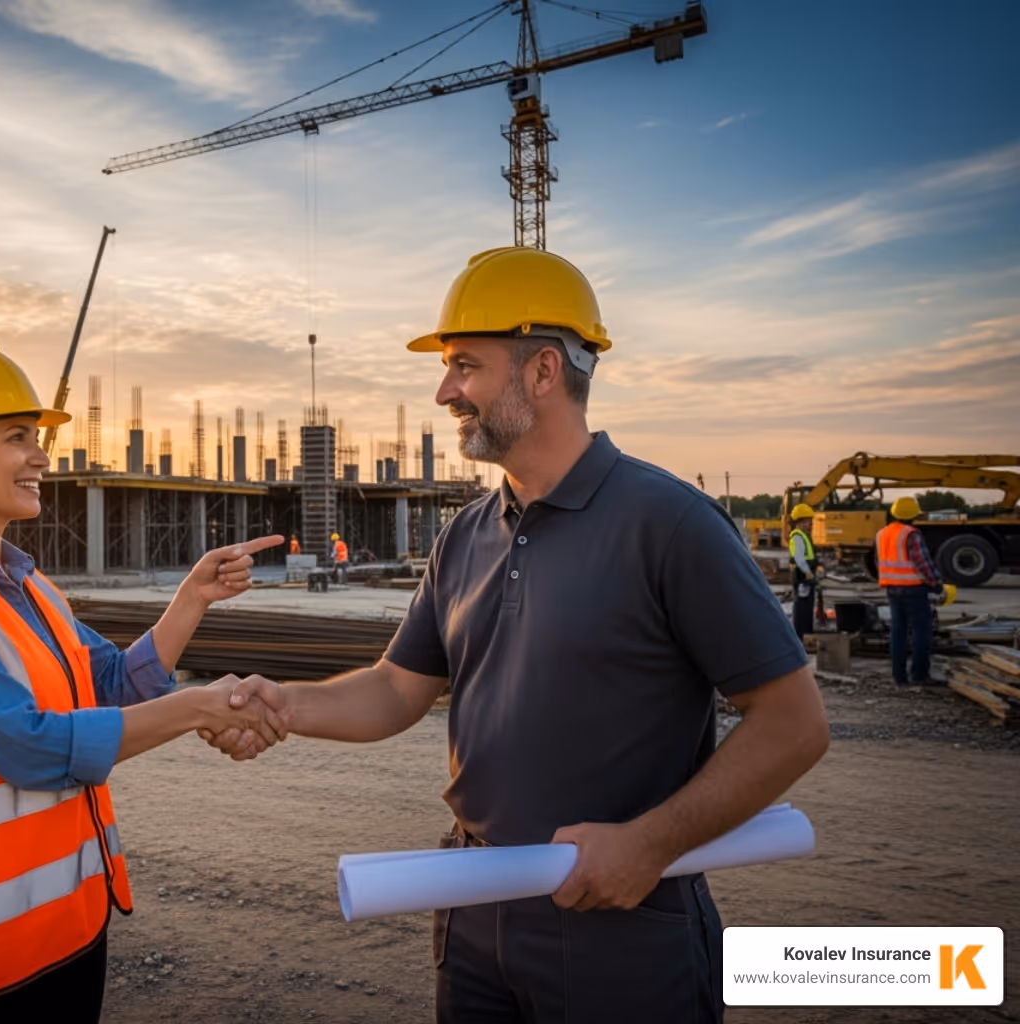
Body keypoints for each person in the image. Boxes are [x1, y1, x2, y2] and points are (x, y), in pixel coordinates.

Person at [204, 247, 829, 1023]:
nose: (444, 391)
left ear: (542, 370)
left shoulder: (669, 524)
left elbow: (795, 723)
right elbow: (399, 689)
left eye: (464, 365)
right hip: (474, 907)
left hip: (620, 922)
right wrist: (283, 705)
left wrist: (649, 844)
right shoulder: (465, 533)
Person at [0, 340, 287, 1023]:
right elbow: (30, 749)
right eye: (17, 437)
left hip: (70, 938)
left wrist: (190, 598)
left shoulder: (29, 589)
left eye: (38, 438)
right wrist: (197, 707)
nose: (40, 456)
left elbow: (110, 682)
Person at [876, 496, 942, 686]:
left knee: (898, 633)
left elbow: (878, 562)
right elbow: (923, 563)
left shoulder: (883, 533)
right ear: (913, 515)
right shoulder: (911, 534)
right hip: (913, 589)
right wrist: (935, 582)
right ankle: (919, 675)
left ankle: (899, 677)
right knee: (921, 633)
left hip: (892, 589)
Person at [787, 503, 820, 638]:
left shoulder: (803, 535)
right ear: (800, 522)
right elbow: (800, 559)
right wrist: (808, 572)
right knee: (802, 609)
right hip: (802, 576)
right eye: (808, 522)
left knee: (807, 608)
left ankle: (806, 634)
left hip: (805, 576)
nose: (810, 524)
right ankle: (801, 635)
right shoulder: (797, 537)